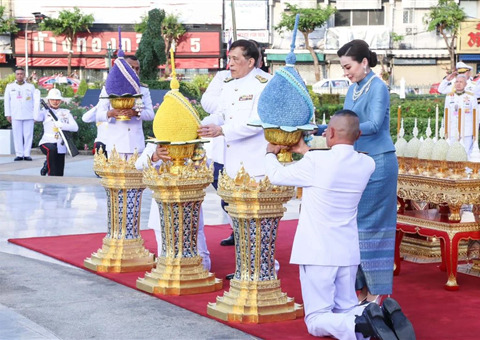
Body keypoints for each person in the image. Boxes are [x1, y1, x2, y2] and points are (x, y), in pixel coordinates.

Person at [265, 110, 414, 340]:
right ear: (359, 134)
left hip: (317, 253)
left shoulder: (315, 161)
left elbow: (275, 175)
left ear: (330, 132)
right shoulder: (367, 163)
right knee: (346, 307)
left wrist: (269, 153)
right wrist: (307, 152)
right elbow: (333, 162)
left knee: (315, 319)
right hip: (347, 253)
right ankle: (377, 316)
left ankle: (362, 325)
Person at [333, 39, 398, 304]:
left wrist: (338, 129)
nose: (346, 72)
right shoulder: (354, 89)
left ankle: (377, 291)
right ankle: (360, 290)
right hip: (357, 161)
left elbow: (373, 123)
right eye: (343, 68)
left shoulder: (378, 86)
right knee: (354, 225)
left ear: (364, 63)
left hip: (379, 162)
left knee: (374, 227)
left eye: (348, 67)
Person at [199, 39, 272, 246]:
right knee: (239, 220)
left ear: (250, 62)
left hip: (254, 164)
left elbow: (259, 122)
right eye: (229, 58)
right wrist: (199, 125)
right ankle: (245, 269)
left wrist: (221, 130)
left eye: (235, 59)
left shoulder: (265, 83)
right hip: (232, 164)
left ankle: (264, 268)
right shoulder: (230, 84)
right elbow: (221, 113)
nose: (229, 64)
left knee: (257, 221)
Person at [135, 143, 211, 271]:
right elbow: (138, 165)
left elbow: (207, 168)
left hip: (189, 207)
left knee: (203, 264)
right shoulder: (157, 143)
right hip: (164, 209)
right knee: (166, 264)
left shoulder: (193, 143)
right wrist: (155, 156)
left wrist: (198, 160)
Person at [94, 55, 154, 158]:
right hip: (115, 145)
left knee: (136, 174)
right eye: (131, 68)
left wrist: (135, 113)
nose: (135, 71)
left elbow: (150, 114)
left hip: (136, 145)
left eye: (137, 68)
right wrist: (111, 113)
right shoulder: (109, 88)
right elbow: (98, 115)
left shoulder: (143, 90)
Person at [34, 88, 79, 177]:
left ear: (61, 101)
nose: (55, 101)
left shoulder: (65, 113)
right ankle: (50, 176)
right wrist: (36, 102)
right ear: (48, 100)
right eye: (52, 99)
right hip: (47, 141)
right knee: (52, 151)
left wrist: (62, 125)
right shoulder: (44, 112)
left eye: (57, 99)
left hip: (60, 143)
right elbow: (36, 117)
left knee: (59, 172)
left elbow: (75, 127)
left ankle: (48, 164)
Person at [4, 67, 36, 161]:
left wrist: (35, 114)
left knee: (28, 135)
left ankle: (27, 154)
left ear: (24, 75)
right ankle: (19, 154)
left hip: (28, 114)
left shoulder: (30, 87)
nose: (19, 76)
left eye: (21, 74)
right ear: (15, 75)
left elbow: (35, 101)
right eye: (18, 74)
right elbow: (7, 101)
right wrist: (8, 114)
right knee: (17, 135)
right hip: (15, 114)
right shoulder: (10, 87)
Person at [443, 74, 478, 156]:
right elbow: (446, 114)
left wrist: (475, 131)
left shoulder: (471, 97)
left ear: (465, 84)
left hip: (466, 130)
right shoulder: (449, 97)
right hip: (452, 130)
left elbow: (476, 115)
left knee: (466, 153)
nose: (458, 84)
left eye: (461, 82)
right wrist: (446, 129)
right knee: (452, 153)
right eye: (457, 82)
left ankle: (466, 169)